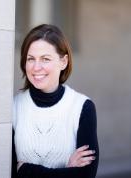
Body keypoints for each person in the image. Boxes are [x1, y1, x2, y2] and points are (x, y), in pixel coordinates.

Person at [12, 24, 99, 178]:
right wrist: (67, 169)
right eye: (31, 59)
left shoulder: (82, 107)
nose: (36, 67)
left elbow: (85, 175)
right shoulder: (13, 107)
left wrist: (25, 170)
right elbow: (8, 171)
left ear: (63, 62)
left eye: (45, 59)